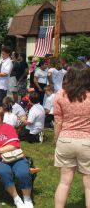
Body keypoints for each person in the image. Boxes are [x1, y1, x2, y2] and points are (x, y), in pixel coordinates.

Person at [53, 62, 90, 208]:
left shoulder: (60, 94)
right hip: (87, 141)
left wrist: (57, 139)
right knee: (88, 185)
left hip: (65, 140)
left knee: (64, 181)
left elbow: (58, 121)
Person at [0, 107, 34, 208]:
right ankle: (16, 198)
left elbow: (14, 145)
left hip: (15, 157)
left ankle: (27, 199)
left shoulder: (8, 128)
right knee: (4, 172)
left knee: (23, 172)